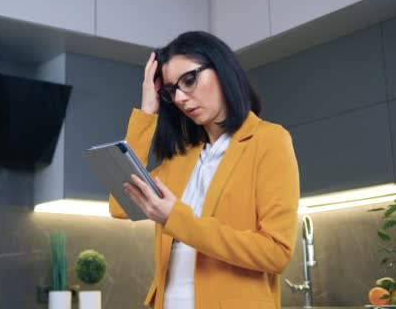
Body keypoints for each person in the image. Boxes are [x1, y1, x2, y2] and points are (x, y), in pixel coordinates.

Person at [109, 31, 300, 309]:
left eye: (189, 80)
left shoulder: (269, 140)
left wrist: (177, 219)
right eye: (171, 90)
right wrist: (147, 112)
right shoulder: (182, 158)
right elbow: (120, 205)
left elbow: (276, 253)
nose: (181, 99)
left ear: (221, 69)